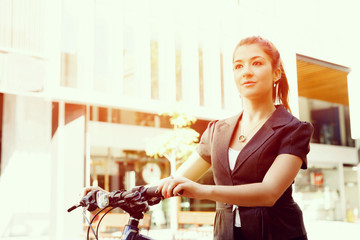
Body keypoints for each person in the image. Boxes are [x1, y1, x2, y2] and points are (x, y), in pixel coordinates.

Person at [157, 36, 313, 240]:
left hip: (277, 233)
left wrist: (204, 191)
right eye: (238, 66)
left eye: (256, 63)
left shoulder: (293, 129)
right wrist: (118, 195)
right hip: (226, 234)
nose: (246, 71)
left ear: (276, 74)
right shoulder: (217, 130)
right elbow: (178, 179)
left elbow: (269, 192)